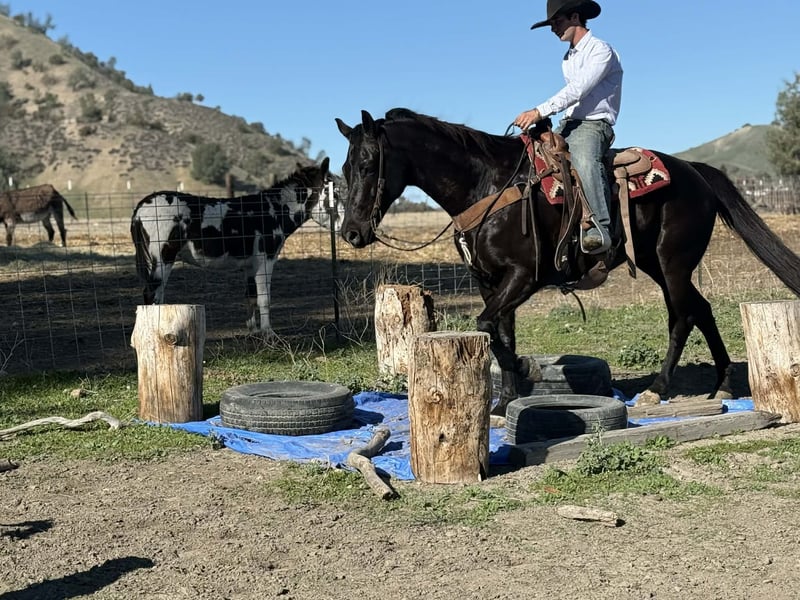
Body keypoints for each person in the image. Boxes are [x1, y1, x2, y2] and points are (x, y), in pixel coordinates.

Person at [514, 0, 623, 255]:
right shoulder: (568, 58)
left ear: (575, 17)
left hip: (594, 124)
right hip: (569, 123)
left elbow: (578, 90)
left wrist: (539, 111)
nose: (554, 28)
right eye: (551, 24)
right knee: (530, 155)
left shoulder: (601, 50)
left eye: (557, 22)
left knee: (584, 161)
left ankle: (599, 228)